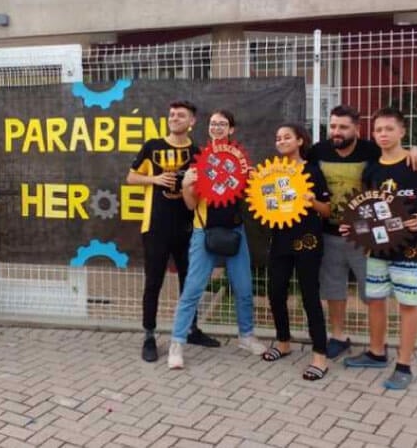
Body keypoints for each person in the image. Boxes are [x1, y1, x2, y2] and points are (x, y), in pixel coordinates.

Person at [307, 105, 417, 359]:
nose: (336, 132)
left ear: (357, 129)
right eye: (333, 126)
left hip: (366, 236)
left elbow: (395, 155)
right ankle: (338, 336)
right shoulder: (318, 151)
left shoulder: (371, 151)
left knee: (372, 293)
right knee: (333, 288)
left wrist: (416, 150)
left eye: (343, 127)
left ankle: (378, 346)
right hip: (328, 232)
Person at [343, 107, 417, 390]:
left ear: (402, 131)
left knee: (408, 305)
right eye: (378, 130)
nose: (383, 134)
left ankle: (404, 365)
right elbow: (365, 209)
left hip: (411, 249)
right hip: (377, 249)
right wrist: (353, 229)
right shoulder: (372, 168)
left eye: (389, 129)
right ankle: (377, 352)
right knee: (375, 300)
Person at [167, 109, 266, 370]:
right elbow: (190, 205)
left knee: (244, 289)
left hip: (236, 232)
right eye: (213, 123)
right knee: (192, 289)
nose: (217, 127)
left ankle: (246, 336)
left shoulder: (241, 162)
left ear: (231, 129)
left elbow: (255, 197)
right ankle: (177, 343)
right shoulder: (199, 161)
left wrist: (254, 180)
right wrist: (188, 186)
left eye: (223, 124)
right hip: (204, 231)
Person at [127, 100, 220, 363]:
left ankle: (191, 329)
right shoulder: (153, 146)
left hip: (188, 227)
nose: (174, 118)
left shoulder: (197, 152)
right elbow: (131, 177)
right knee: (153, 282)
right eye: (171, 114)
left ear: (192, 122)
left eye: (181, 115)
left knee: (189, 283)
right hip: (155, 226)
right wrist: (154, 179)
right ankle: (148, 336)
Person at [262, 123, 330, 380]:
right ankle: (283, 342)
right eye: (278, 137)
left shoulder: (313, 171)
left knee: (309, 296)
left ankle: (320, 356)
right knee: (275, 292)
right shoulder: (272, 173)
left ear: (300, 141)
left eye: (287, 137)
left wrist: (312, 201)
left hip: (308, 242)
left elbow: (328, 211)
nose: (281, 141)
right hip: (280, 241)